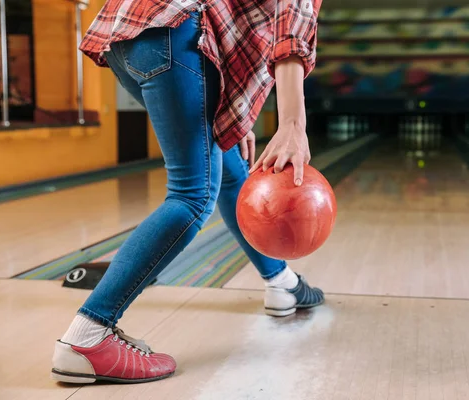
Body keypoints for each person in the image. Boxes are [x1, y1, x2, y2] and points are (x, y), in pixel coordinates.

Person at [51, 0, 324, 385]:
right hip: (177, 33)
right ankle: (87, 336)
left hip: (131, 32)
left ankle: (281, 283)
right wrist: (293, 122)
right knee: (192, 195)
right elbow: (291, 22)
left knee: (230, 172)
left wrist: (231, 106)